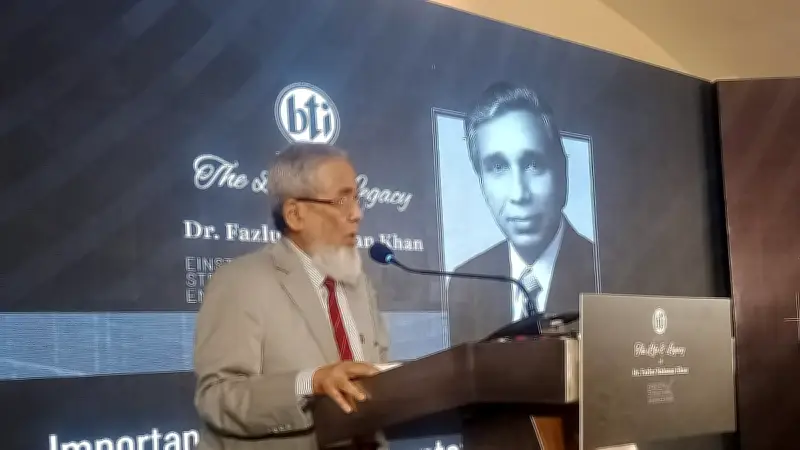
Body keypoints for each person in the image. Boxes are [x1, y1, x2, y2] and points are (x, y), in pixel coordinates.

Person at [193, 143, 390, 450]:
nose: (357, 214)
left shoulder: (360, 284)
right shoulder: (240, 281)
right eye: (342, 200)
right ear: (295, 214)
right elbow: (217, 398)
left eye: (357, 199)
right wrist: (310, 383)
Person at [447, 82, 598, 345]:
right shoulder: (466, 283)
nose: (519, 193)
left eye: (533, 164)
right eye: (498, 167)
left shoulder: (607, 272)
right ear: (481, 180)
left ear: (562, 170)